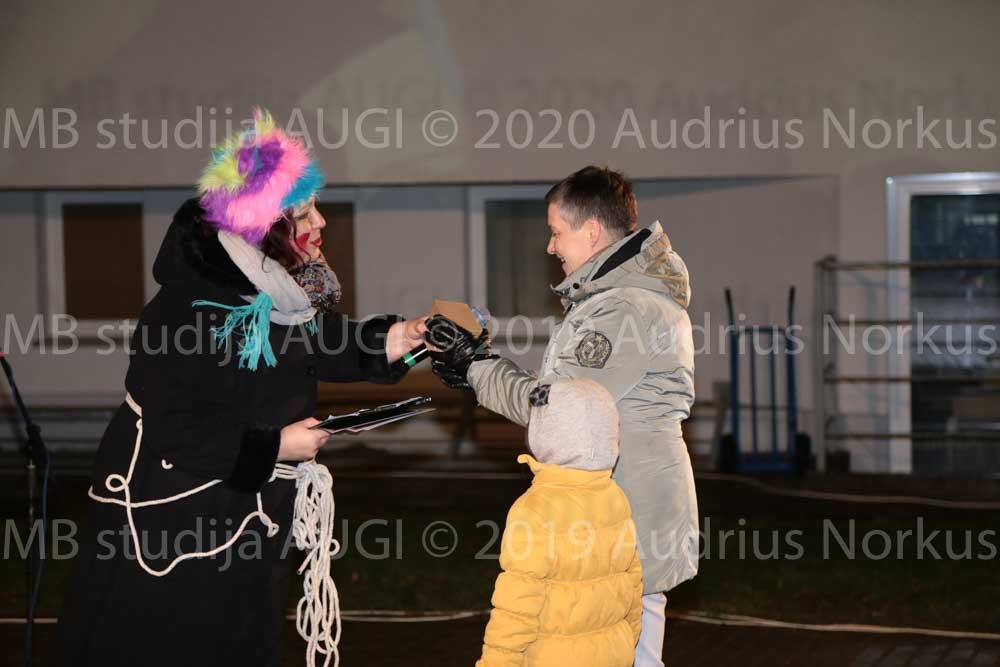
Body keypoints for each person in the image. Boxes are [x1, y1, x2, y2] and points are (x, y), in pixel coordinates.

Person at [57, 108, 426, 667]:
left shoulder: (271, 291)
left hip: (240, 516)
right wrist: (276, 446)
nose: (321, 222)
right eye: (303, 212)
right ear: (266, 226)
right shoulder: (184, 311)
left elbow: (327, 344)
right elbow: (179, 430)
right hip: (175, 523)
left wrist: (407, 337)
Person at [426, 166, 698, 667]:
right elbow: (565, 395)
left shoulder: (622, 310)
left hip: (626, 513)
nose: (551, 247)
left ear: (591, 231)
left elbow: (557, 409)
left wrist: (476, 367)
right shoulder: (619, 302)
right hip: (624, 505)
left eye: (556, 232)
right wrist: (478, 368)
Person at [476, 378, 642, 667]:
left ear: (544, 434)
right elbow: (633, 581)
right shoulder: (615, 496)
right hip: (613, 654)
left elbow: (517, 605)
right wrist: (629, 637)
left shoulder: (534, 509)